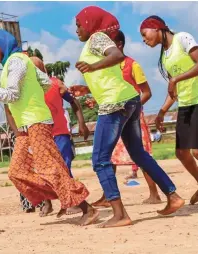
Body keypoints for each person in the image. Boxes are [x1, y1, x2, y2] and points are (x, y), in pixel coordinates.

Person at [0, 29, 98, 226]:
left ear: (1, 45)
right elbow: (44, 83)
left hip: (36, 121)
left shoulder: (18, 60)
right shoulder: (14, 63)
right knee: (16, 172)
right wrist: (30, 95)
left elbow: (11, 96)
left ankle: (87, 207)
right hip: (25, 126)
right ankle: (66, 196)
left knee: (49, 168)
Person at [70, 6, 184, 228]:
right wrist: (87, 89)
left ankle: (120, 214)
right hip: (128, 99)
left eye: (78, 24)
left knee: (100, 160)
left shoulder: (96, 38)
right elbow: (109, 73)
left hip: (115, 104)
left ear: (90, 22)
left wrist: (92, 66)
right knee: (139, 154)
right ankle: (173, 196)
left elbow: (117, 56)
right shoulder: (94, 42)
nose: (76, 30)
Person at [80, 30, 161, 207]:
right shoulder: (110, 66)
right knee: (109, 156)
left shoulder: (133, 65)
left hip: (131, 114)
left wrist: (134, 108)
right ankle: (107, 196)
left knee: (140, 155)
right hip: (116, 111)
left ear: (119, 45)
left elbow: (146, 92)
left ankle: (154, 193)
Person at [9, 56, 89, 216]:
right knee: (42, 171)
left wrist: (81, 123)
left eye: (37, 69)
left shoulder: (55, 84)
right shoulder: (26, 89)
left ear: (43, 70)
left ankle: (73, 202)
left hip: (60, 134)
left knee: (63, 169)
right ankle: (48, 202)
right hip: (39, 135)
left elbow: (74, 102)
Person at [140, 15, 198, 205]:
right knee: (182, 153)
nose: (143, 39)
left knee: (196, 151)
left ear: (156, 28)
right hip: (185, 104)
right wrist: (162, 112)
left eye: (144, 33)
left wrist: (175, 79)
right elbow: (173, 91)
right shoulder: (164, 56)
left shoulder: (183, 38)